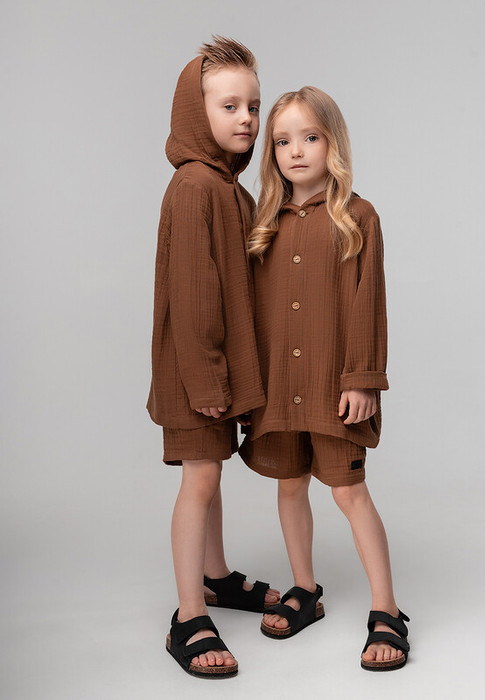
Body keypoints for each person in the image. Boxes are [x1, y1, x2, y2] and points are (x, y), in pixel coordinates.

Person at [238, 86, 410, 671]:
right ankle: (304, 589)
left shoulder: (358, 217)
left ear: (332, 143)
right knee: (289, 486)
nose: (295, 151)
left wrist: (361, 379)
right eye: (282, 141)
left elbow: (368, 303)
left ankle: (386, 609)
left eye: (310, 137)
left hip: (334, 386)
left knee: (348, 492)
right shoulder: (262, 222)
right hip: (277, 387)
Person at [147, 36, 279, 679]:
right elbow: (194, 293)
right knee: (199, 479)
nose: (247, 118)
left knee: (212, 471)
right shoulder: (194, 187)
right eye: (230, 106)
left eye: (253, 105)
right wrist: (206, 381)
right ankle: (188, 614)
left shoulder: (232, 191)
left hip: (219, 370)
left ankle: (216, 575)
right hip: (196, 370)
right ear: (195, 114)